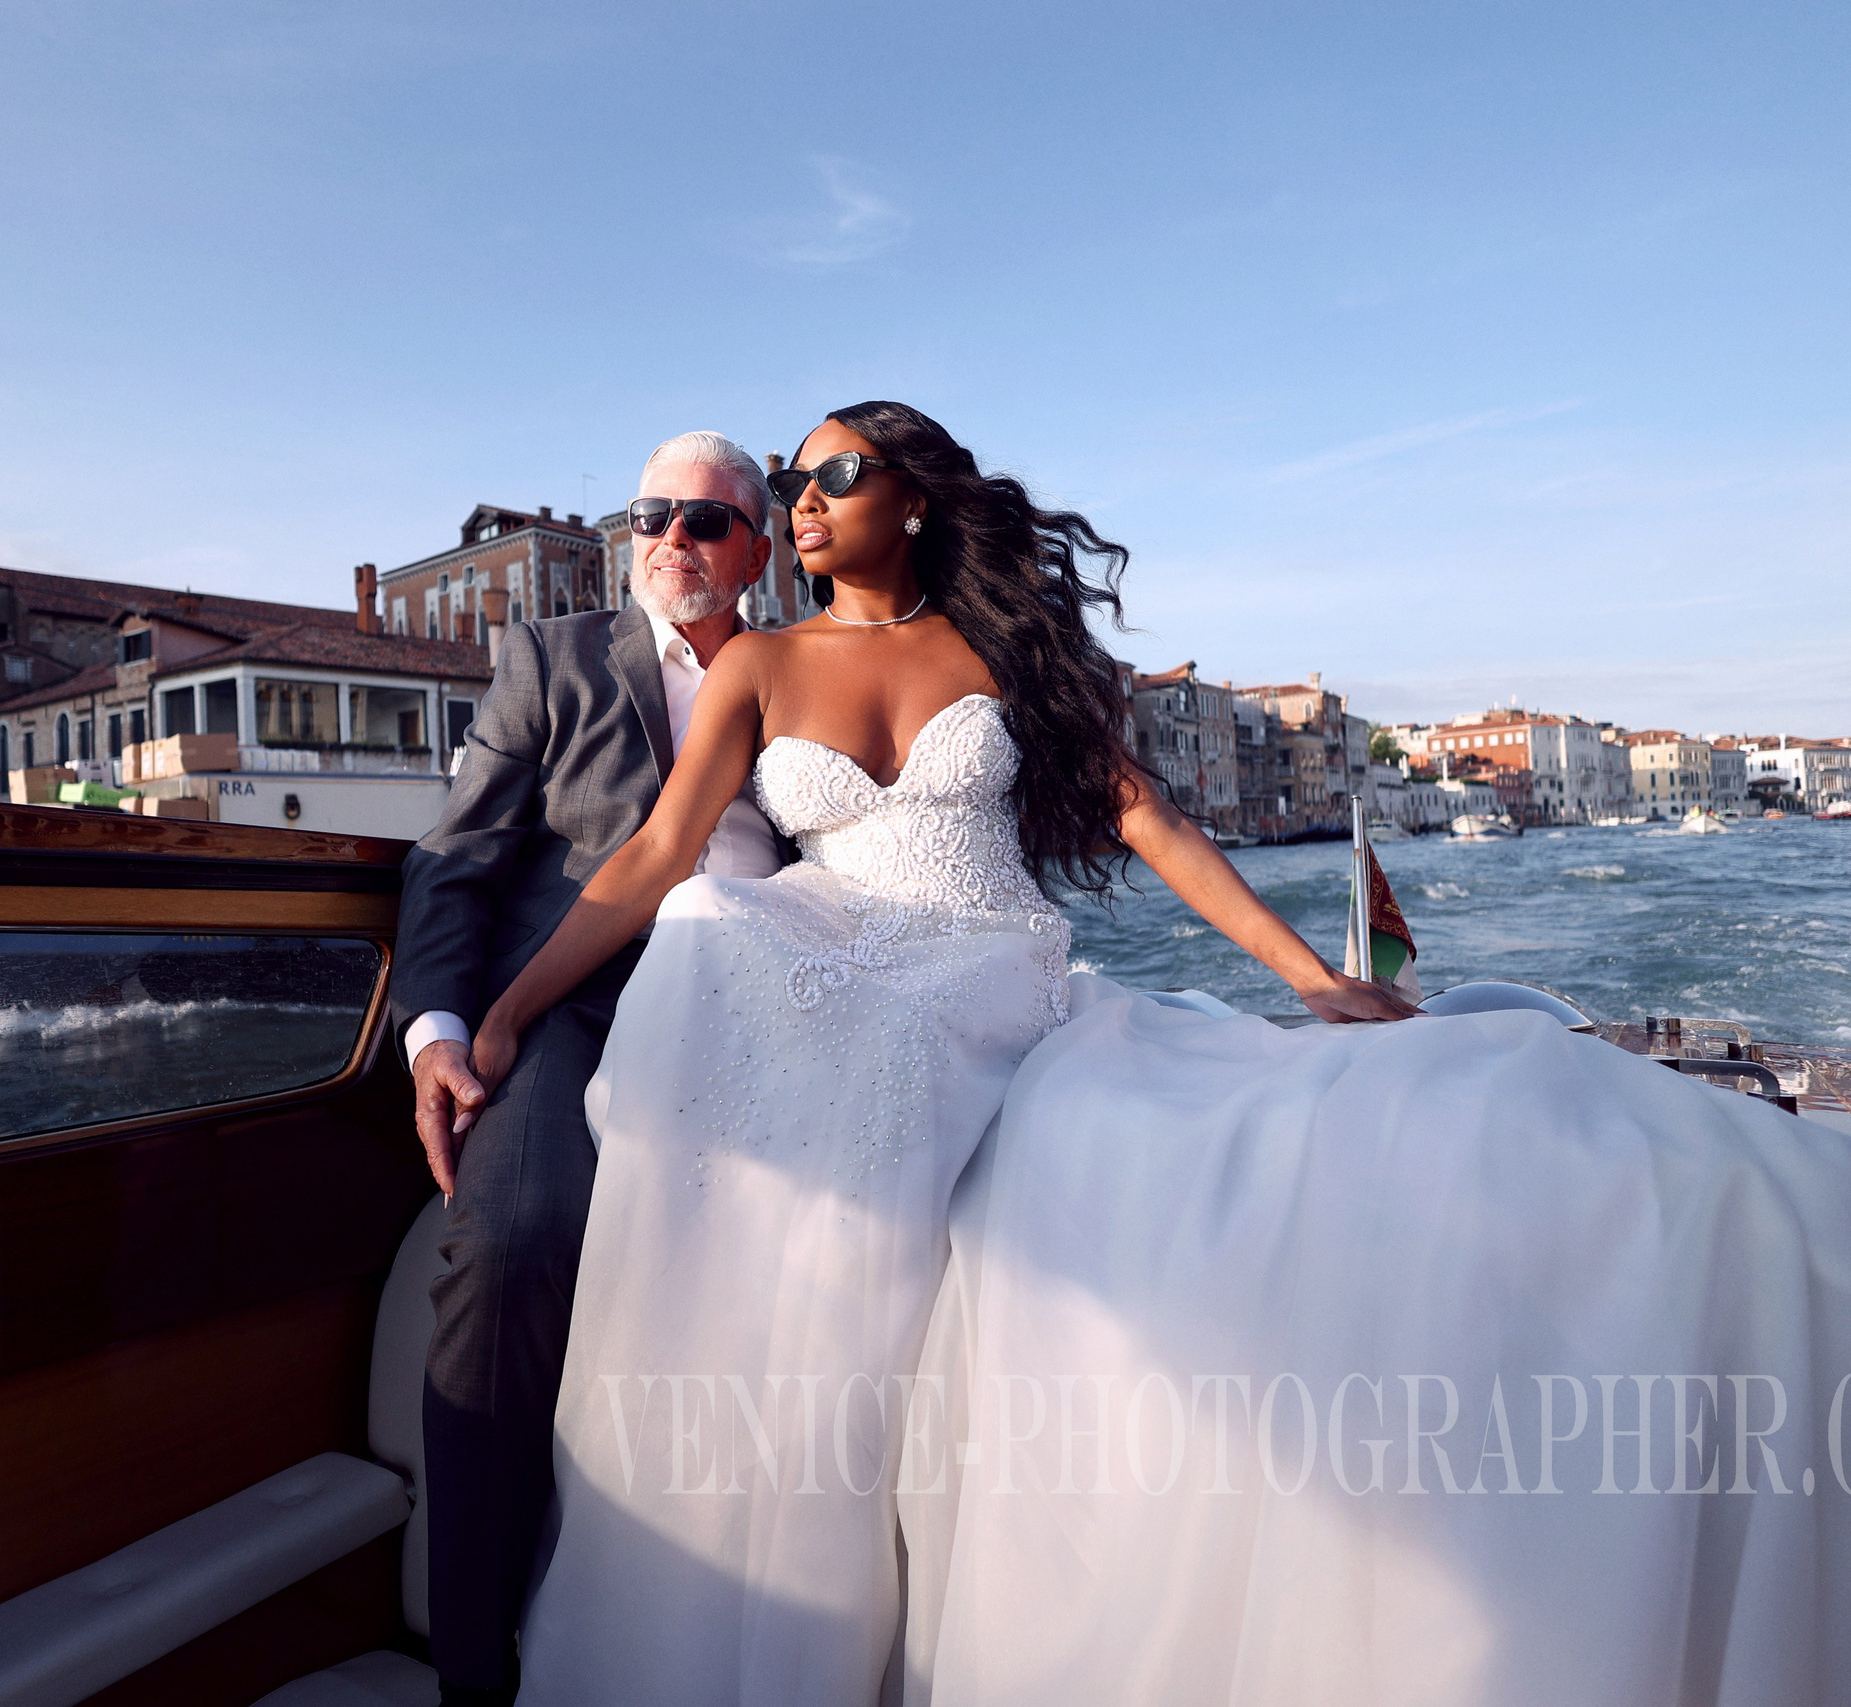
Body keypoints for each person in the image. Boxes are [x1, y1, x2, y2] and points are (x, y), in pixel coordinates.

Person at [458, 401, 1411, 1707]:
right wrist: (510, 1006)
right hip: (836, 936)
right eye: (791, 481)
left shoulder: (998, 650)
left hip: (982, 950)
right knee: (703, 919)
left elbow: (1150, 816)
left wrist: (1313, 976)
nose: (803, 498)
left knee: (871, 1031)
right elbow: (654, 853)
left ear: (912, 497)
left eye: (834, 473)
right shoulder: (762, 663)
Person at [387, 430, 791, 1706]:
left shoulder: (805, 673)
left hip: (764, 1016)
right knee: (507, 1253)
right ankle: (470, 1671)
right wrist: (440, 1033)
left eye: (705, 520)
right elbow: (454, 859)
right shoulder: (553, 659)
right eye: (650, 514)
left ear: (757, 554)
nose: (671, 536)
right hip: (563, 1010)